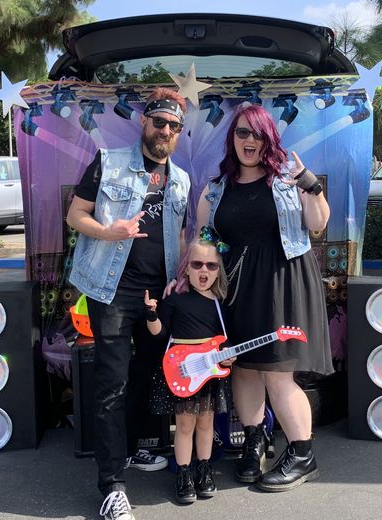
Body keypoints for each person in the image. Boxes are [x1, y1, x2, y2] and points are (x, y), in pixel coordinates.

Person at [66, 87, 190, 520]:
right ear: (144, 121)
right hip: (111, 290)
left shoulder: (182, 179)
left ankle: (135, 447)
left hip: (157, 296)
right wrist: (109, 231)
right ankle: (111, 484)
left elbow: (180, 235)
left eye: (175, 126)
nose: (166, 131)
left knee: (145, 376)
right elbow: (75, 215)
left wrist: (182, 278)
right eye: (160, 122)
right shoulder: (108, 161)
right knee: (112, 385)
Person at [195, 104, 333, 492]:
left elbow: (318, 224)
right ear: (232, 139)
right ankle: (255, 442)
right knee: (245, 368)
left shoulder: (287, 180)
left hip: (283, 282)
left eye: (256, 134)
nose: (248, 140)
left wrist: (311, 185)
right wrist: (193, 276)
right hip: (237, 287)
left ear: (268, 138)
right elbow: (205, 237)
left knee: (277, 371)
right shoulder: (217, 186)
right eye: (241, 133)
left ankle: (303, 454)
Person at [144, 228, 233, 504]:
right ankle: (183, 473)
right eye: (197, 264)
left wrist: (228, 356)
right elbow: (159, 333)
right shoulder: (175, 299)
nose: (203, 271)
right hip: (183, 372)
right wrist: (151, 314)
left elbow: (224, 342)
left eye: (211, 265)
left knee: (206, 423)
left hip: (209, 374)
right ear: (186, 269)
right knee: (184, 425)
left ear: (218, 271)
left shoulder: (220, 304)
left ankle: (204, 470)